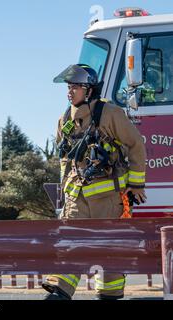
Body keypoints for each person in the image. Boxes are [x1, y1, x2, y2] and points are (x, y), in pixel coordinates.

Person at [42, 64, 147, 300]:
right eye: (69, 87)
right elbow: (65, 160)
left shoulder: (110, 114)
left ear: (89, 90)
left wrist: (136, 184)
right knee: (69, 243)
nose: (70, 92)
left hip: (108, 199)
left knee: (110, 249)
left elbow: (136, 145)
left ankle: (109, 295)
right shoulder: (64, 120)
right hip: (75, 199)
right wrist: (65, 194)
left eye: (76, 87)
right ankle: (59, 291)